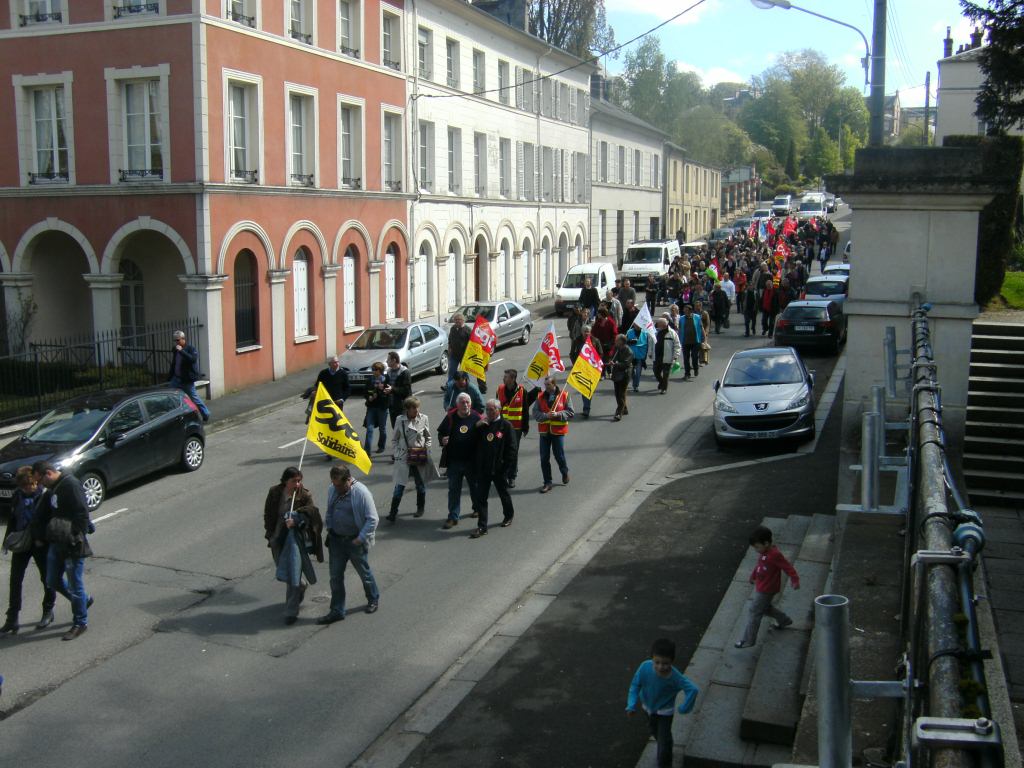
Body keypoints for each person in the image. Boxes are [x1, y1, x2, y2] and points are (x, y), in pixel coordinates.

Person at [32, 461, 93, 641]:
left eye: (41, 481)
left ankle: (80, 622)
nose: (41, 485)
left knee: (75, 585)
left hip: (72, 543)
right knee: (52, 580)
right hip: (56, 541)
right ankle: (84, 601)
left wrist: (75, 537)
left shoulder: (70, 485)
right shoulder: (54, 487)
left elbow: (82, 513)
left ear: (48, 473)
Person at [2, 466, 65, 634]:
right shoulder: (18, 495)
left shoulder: (46, 495)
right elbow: (13, 519)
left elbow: (53, 520)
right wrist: (7, 541)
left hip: (40, 544)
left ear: (36, 481)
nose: (26, 488)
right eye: (23, 486)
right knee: (15, 580)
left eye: (29, 485)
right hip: (22, 543)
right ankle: (12, 618)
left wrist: (44, 539)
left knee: (47, 579)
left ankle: (48, 610)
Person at [316, 466, 380, 624]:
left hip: (354, 541)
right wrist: (330, 527)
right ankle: (337, 610)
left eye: (338, 485)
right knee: (335, 577)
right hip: (337, 541)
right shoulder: (333, 489)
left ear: (348, 480)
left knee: (364, 573)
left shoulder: (361, 493)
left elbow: (373, 519)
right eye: (333, 483)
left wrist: (361, 537)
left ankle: (373, 598)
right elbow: (330, 510)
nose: (335, 487)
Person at [626, 637, 700, 768]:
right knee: (655, 732)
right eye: (657, 662)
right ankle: (666, 743)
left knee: (663, 745)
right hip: (648, 709)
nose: (661, 667)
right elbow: (635, 685)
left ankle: (665, 760)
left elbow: (692, 690)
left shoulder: (675, 677)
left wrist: (684, 708)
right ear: (652, 659)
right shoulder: (645, 667)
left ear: (672, 661)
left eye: (665, 663)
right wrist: (631, 704)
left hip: (665, 713)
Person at [263, 467, 323, 625]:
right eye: (294, 481)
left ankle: (291, 611)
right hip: (278, 539)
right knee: (285, 572)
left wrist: (296, 520)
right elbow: (268, 513)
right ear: (285, 481)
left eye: (299, 480)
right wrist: (270, 534)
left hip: (295, 541)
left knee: (292, 574)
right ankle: (301, 587)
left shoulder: (304, 495)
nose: (297, 484)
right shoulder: (275, 492)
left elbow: (313, 515)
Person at [735, 526, 799, 648]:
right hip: (762, 585)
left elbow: (787, 567)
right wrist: (753, 575)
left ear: (767, 543)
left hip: (767, 589)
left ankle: (748, 640)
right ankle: (784, 620)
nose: (756, 550)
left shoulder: (775, 555)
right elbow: (760, 564)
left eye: (757, 547)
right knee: (765, 608)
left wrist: (795, 580)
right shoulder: (765, 552)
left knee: (754, 611)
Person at [469, 399, 518, 538]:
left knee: (503, 494)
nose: (488, 412)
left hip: (499, 469)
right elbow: (471, 440)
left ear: (498, 410)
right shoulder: (483, 425)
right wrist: (476, 426)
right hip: (484, 468)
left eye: (491, 409)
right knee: (481, 498)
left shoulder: (506, 426)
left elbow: (512, 449)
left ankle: (508, 515)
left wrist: (505, 467)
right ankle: (482, 526)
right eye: (487, 409)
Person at [437, 392, 481, 529]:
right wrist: (442, 440)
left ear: (471, 404)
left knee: (474, 487)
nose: (465, 405)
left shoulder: (476, 416)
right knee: (454, 489)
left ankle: (477, 508)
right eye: (462, 402)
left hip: (471, 461)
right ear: (457, 405)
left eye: (467, 402)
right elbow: (441, 432)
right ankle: (453, 516)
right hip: (454, 461)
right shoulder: (450, 417)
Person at [387, 396, 432, 523]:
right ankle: (393, 512)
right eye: (413, 408)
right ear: (407, 409)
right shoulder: (400, 420)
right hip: (404, 456)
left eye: (418, 407)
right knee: (399, 486)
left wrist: (426, 449)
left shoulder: (424, 418)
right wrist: (397, 453)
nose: (416, 410)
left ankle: (420, 508)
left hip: (418, 454)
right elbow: (394, 439)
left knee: (420, 484)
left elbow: (428, 437)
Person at [530, 375, 574, 493]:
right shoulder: (540, 396)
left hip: (558, 432)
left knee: (559, 455)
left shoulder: (564, 395)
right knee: (544, 458)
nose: (546, 387)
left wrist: (558, 414)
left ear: (554, 384)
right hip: (544, 432)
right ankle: (547, 482)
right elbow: (535, 413)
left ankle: (564, 472)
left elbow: (571, 412)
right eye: (545, 385)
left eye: (548, 385)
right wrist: (546, 416)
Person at [496, 369, 531, 488]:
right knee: (500, 450)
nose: (503, 378)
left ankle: (512, 476)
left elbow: (525, 410)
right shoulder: (500, 389)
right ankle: (503, 474)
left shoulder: (522, 391)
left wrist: (525, 427)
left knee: (513, 452)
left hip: (516, 429)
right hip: (502, 428)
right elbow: (497, 409)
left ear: (513, 379)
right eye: (504, 376)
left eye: (506, 377)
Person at [167, 330, 210, 422]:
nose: (176, 342)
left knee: (194, 398)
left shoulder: (190, 349)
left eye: (178, 340)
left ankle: (205, 413)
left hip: (187, 380)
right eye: (175, 340)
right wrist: (170, 376)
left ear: (183, 339)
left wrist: (181, 351)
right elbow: (174, 363)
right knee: (170, 396)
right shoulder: (176, 350)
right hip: (176, 378)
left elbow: (193, 359)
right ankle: (176, 417)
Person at [570, 326, 601, 418]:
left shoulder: (595, 340)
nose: (586, 333)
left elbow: (600, 353)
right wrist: (576, 364)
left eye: (588, 331)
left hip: (592, 368)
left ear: (590, 332)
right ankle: (586, 409)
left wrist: (595, 362)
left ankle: (587, 407)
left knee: (589, 389)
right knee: (584, 388)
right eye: (585, 331)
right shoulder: (576, 341)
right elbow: (572, 354)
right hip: (581, 368)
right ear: (581, 332)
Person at [362, 361, 390, 454]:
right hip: (371, 407)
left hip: (382, 408)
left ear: (380, 370)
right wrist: (368, 397)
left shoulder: (385, 379)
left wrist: (381, 392)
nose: (373, 371)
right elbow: (365, 392)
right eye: (373, 369)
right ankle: (367, 451)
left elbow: (388, 394)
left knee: (382, 429)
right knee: (369, 429)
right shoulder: (370, 380)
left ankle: (381, 446)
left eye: (375, 370)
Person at [384, 351, 413, 434]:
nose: (386, 361)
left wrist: (392, 389)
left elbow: (406, 390)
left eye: (388, 360)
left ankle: (406, 446)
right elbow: (387, 386)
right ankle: (400, 446)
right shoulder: (388, 372)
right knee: (395, 428)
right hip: (392, 406)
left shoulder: (404, 372)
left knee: (404, 428)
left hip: (403, 406)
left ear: (394, 360)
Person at [651, 318, 679, 395]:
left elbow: (677, 345)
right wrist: (650, 352)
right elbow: (651, 342)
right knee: (656, 372)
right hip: (657, 356)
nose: (657, 325)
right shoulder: (655, 332)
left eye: (659, 324)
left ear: (663, 325)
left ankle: (664, 388)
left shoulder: (672, 333)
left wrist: (675, 356)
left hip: (667, 357)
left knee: (666, 374)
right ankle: (662, 382)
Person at [609, 334, 633, 422]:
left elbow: (626, 364)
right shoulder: (617, 349)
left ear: (621, 342)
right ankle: (624, 408)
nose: (615, 342)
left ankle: (619, 413)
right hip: (616, 374)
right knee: (617, 393)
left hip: (624, 375)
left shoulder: (629, 351)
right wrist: (612, 361)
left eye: (617, 340)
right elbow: (613, 357)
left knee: (621, 394)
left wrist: (616, 364)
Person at [445, 312, 471, 389]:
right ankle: (449, 386)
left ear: (462, 320)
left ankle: (468, 385)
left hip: (464, 355)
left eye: (458, 320)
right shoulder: (453, 328)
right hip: (454, 355)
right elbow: (450, 339)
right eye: (455, 320)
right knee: (451, 371)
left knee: (465, 372)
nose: (456, 321)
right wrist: (449, 348)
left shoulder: (467, 330)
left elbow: (472, 343)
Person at [679, 304, 703, 381]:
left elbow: (701, 327)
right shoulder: (681, 318)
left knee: (694, 357)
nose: (684, 311)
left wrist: (704, 338)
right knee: (686, 358)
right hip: (685, 341)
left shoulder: (697, 317)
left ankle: (696, 368)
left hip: (695, 341)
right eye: (684, 310)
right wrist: (679, 340)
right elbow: (680, 329)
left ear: (690, 311)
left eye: (686, 310)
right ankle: (687, 373)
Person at [626, 321, 650, 393]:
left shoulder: (645, 333)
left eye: (638, 325)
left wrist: (645, 355)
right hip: (631, 355)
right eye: (635, 324)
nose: (637, 326)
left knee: (638, 372)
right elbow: (625, 342)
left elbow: (647, 345)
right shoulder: (629, 331)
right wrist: (630, 341)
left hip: (640, 355)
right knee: (631, 371)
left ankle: (635, 386)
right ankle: (634, 381)